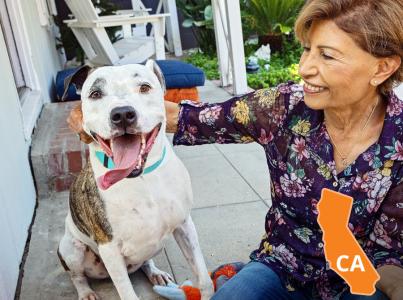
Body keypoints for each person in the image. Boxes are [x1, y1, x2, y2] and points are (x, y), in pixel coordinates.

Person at [68, 0, 403, 298]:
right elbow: (188, 118)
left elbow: (390, 253)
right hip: (283, 262)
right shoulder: (283, 107)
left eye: (326, 55)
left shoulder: (399, 142)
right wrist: (96, 121)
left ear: (382, 67)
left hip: (360, 276)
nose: (304, 68)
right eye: (306, 49)